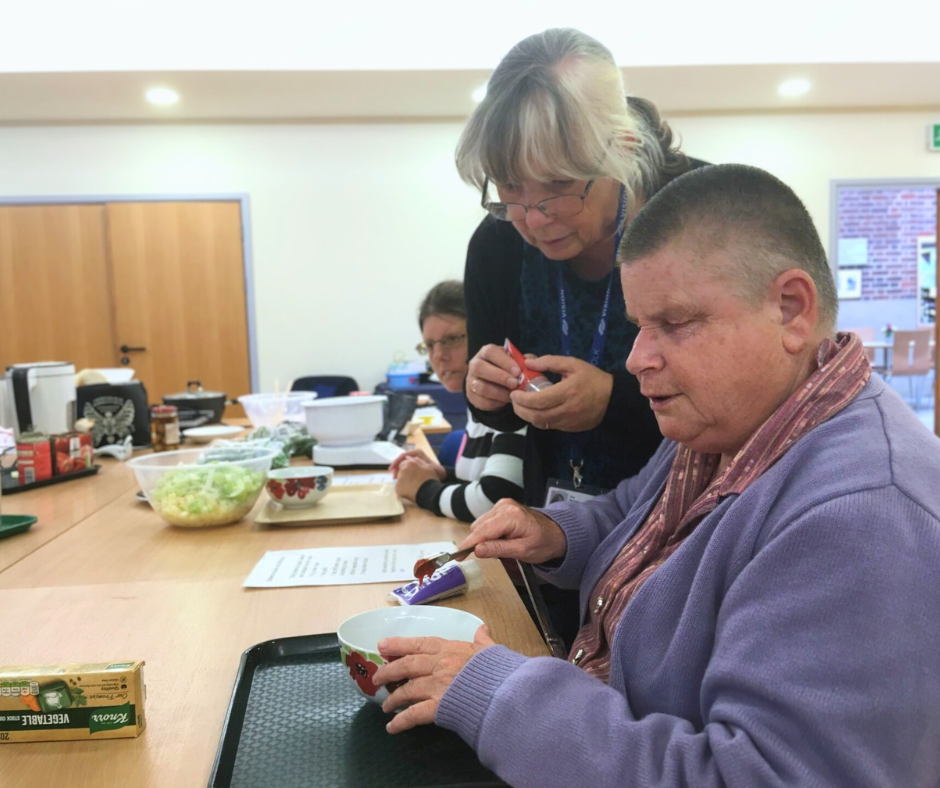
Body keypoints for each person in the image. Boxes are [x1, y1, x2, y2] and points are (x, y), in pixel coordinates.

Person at [371, 164, 940, 788]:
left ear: (791, 309)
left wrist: (500, 693)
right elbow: (632, 512)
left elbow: (752, 775)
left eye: (675, 323)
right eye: (639, 325)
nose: (637, 360)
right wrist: (552, 532)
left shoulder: (863, 516)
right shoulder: (735, 418)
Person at [458, 28, 707, 504]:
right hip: (555, 527)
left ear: (624, 149)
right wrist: (485, 391)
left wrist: (614, 401)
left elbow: (749, 394)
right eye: (510, 186)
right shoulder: (497, 244)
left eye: (558, 181)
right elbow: (501, 419)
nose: (533, 218)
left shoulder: (704, 216)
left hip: (694, 520)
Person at [390, 281, 525, 522]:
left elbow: (495, 501)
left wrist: (423, 489)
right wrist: (440, 475)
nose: (439, 355)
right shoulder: (475, 407)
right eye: (430, 345)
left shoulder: (509, 399)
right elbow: (482, 481)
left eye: (452, 339)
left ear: (481, 334)